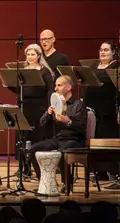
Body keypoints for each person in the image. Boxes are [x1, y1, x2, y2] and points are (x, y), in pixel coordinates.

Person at [6, 44, 54, 175]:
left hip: (38, 107)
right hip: (23, 106)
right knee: (21, 137)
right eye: (28, 54)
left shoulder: (44, 71)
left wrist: (49, 107)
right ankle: (23, 167)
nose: (30, 57)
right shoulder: (22, 71)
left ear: (39, 56)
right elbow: (19, 90)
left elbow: (50, 89)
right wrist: (9, 85)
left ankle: (38, 167)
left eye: (33, 54)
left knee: (35, 137)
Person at [29, 75, 87, 179]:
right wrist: (48, 113)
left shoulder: (78, 104)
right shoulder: (56, 103)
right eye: (55, 85)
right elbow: (42, 123)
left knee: (61, 153)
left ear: (68, 87)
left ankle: (67, 182)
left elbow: (81, 125)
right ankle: (44, 180)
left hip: (75, 139)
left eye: (59, 85)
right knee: (32, 150)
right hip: (59, 138)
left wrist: (68, 121)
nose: (55, 88)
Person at [83, 41, 119, 181]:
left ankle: (113, 171)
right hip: (92, 109)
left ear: (113, 52)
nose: (103, 53)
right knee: (95, 139)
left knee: (107, 139)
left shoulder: (116, 66)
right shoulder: (93, 65)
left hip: (107, 109)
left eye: (106, 50)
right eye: (101, 50)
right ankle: (99, 171)